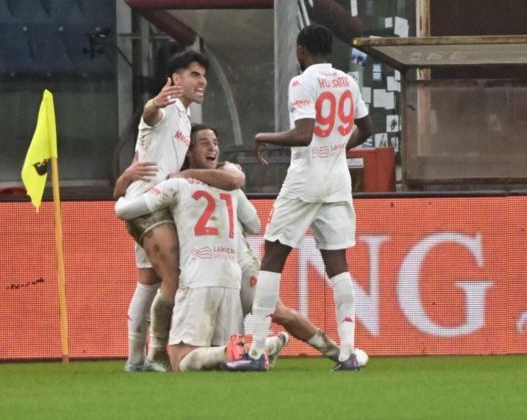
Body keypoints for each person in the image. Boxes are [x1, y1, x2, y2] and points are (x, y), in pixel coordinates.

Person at [227, 24, 373, 372]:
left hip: (306, 180)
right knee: (338, 264)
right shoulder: (348, 82)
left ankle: (257, 351)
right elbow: (367, 128)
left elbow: (304, 134)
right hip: (338, 181)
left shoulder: (302, 82)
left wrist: (264, 136)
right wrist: (337, 147)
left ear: (301, 50)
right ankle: (349, 352)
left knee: (273, 256)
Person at [115, 124, 288, 371]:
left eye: (215, 142)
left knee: (180, 360)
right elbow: (254, 224)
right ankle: (261, 348)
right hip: (231, 278)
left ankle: (255, 350)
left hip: (197, 277)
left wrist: (124, 192)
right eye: (205, 142)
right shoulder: (230, 185)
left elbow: (125, 211)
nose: (213, 147)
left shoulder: (177, 183)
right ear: (190, 150)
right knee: (226, 361)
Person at [114, 50, 244, 372]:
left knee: (148, 282)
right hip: (149, 206)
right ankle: (157, 355)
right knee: (175, 277)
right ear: (174, 80)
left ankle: (134, 360)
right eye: (194, 74)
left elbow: (142, 154)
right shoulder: (168, 107)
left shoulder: (185, 117)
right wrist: (153, 103)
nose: (202, 81)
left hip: (151, 203)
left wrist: (126, 179)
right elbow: (149, 116)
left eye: (203, 75)